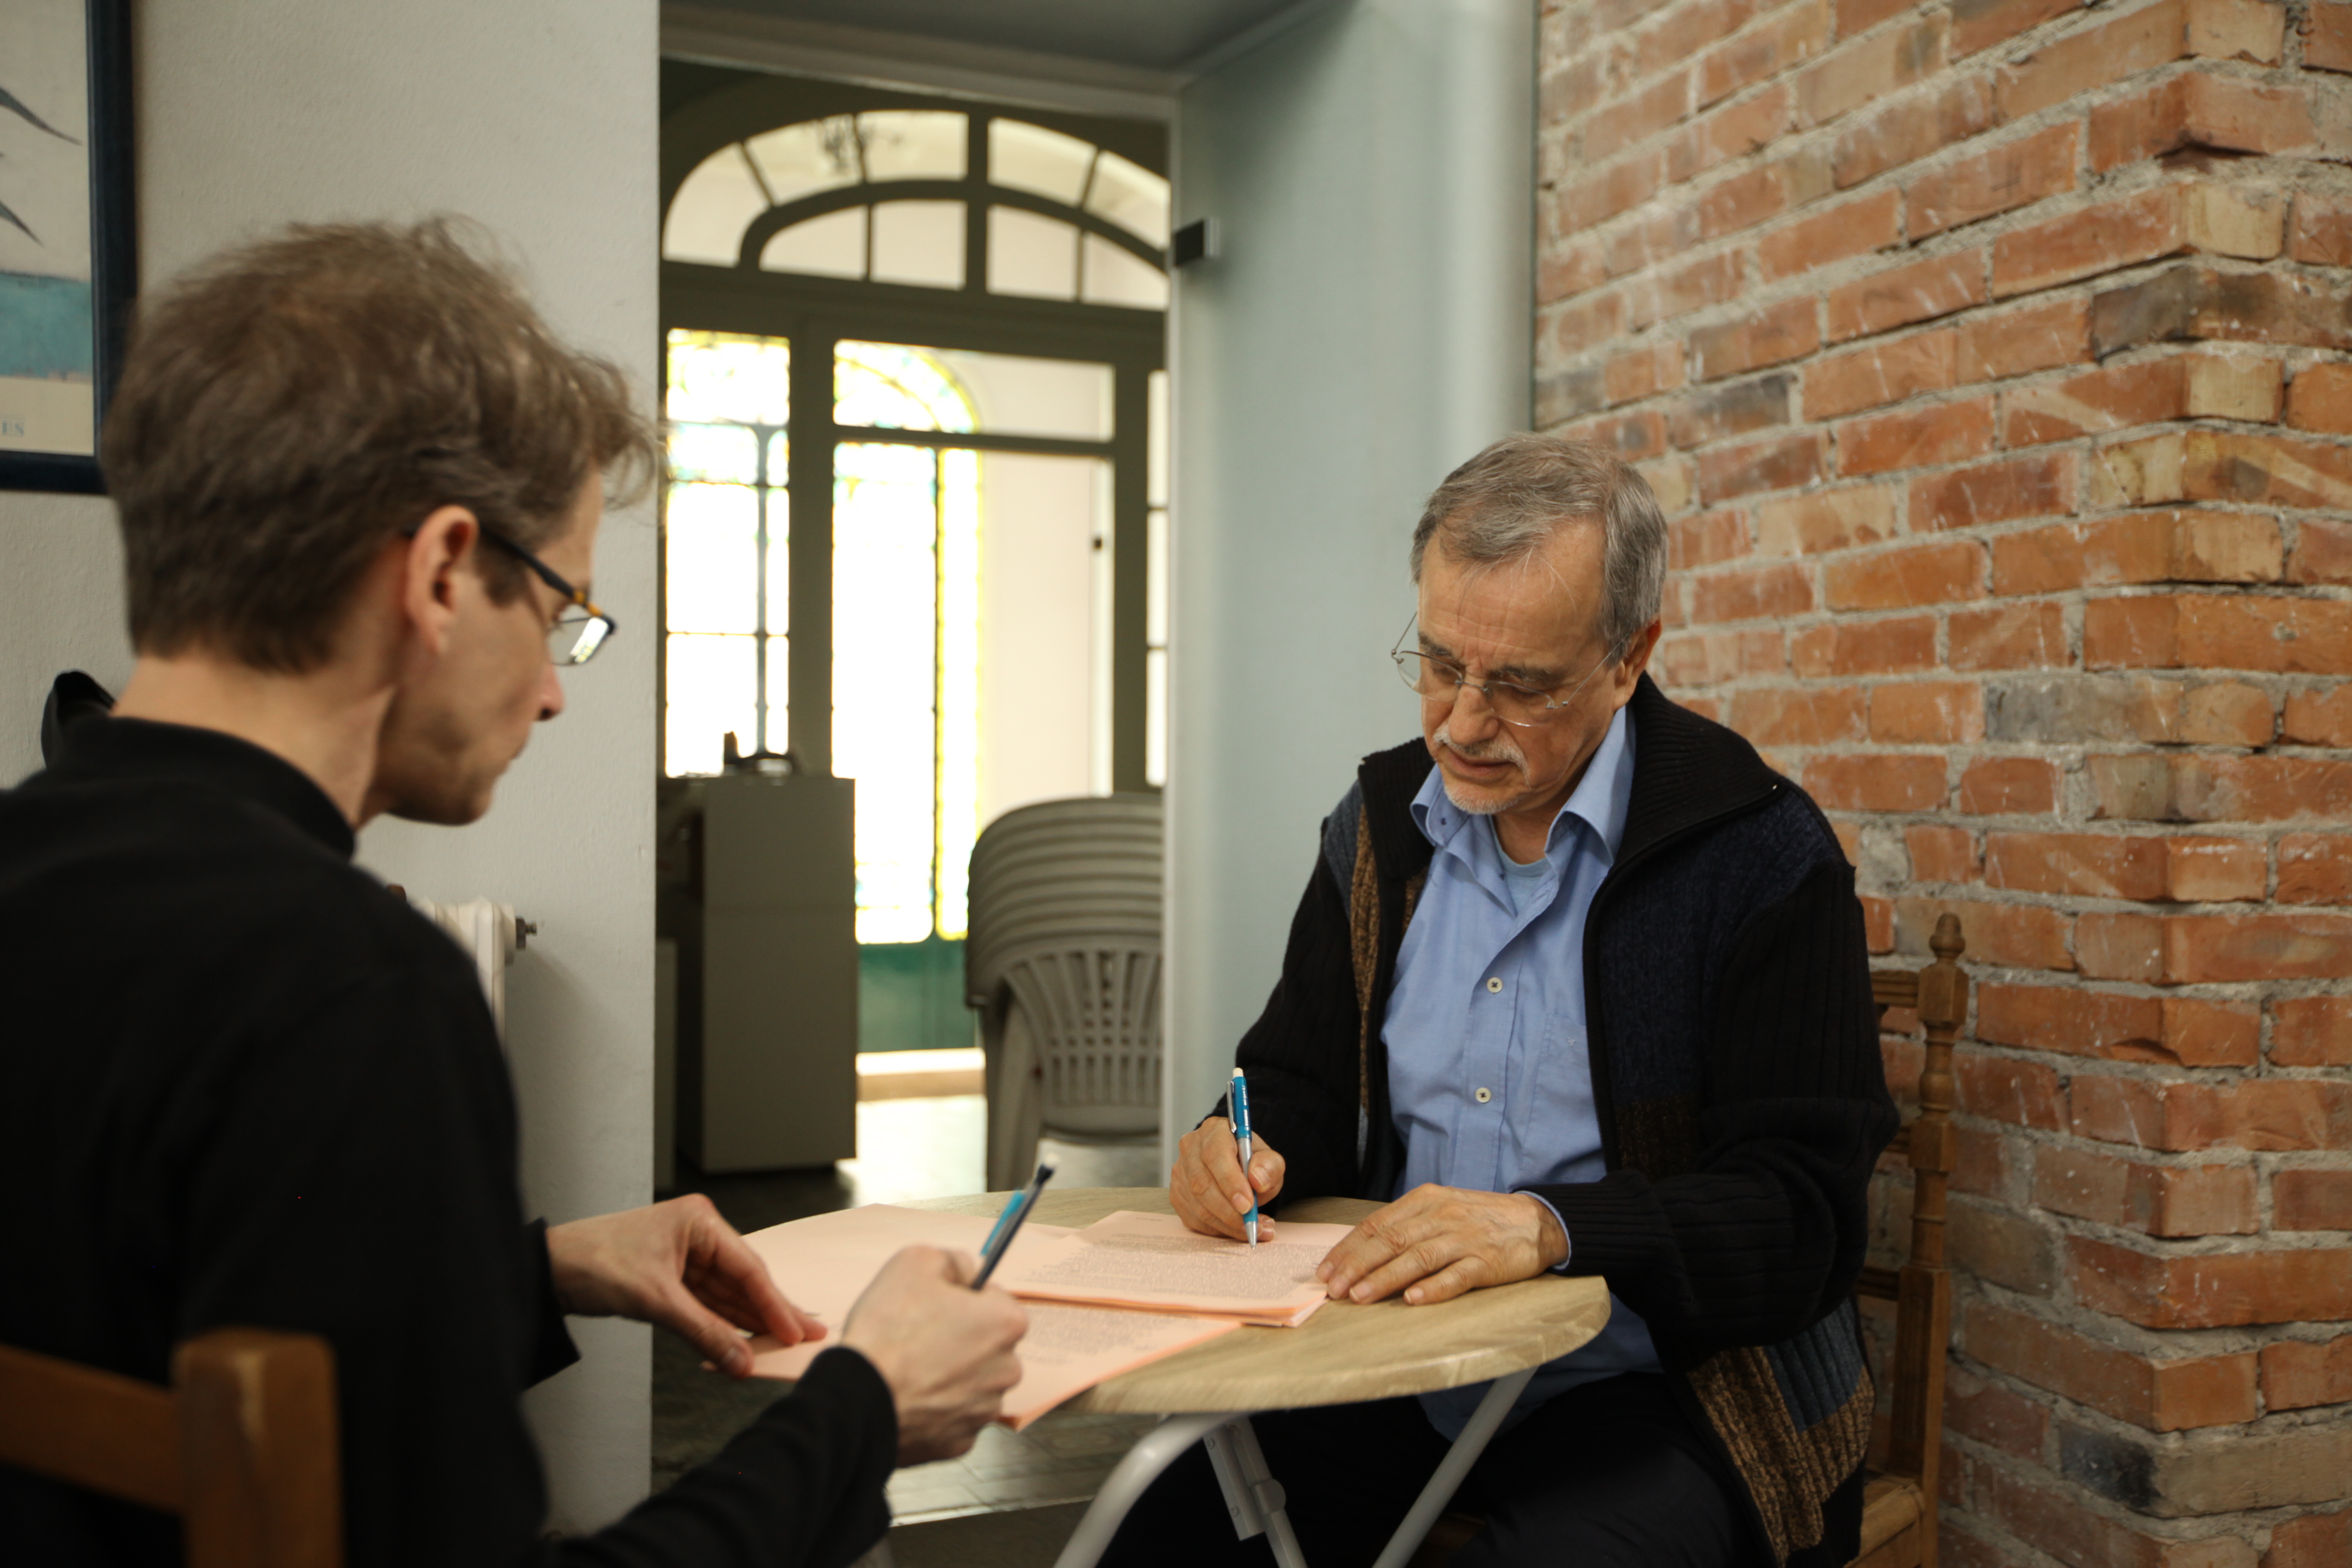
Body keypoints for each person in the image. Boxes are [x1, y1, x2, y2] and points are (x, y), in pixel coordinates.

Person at [0, 220, 1027, 1568]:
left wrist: (529, 1268)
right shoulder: (350, 988)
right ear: (439, 574)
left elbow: (133, 1314)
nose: (551, 691)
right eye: (556, 615)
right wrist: (866, 1408)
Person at [1116, 435, 1896, 1568]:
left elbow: (1801, 1217)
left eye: (1523, 685)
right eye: (1440, 663)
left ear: (1630, 658)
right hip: (1393, 1357)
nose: (1461, 724)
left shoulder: (1759, 856)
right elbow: (1295, 1081)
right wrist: (1237, 1145)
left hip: (1657, 1389)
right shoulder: (1380, 826)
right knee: (1162, 1529)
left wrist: (1552, 1226)